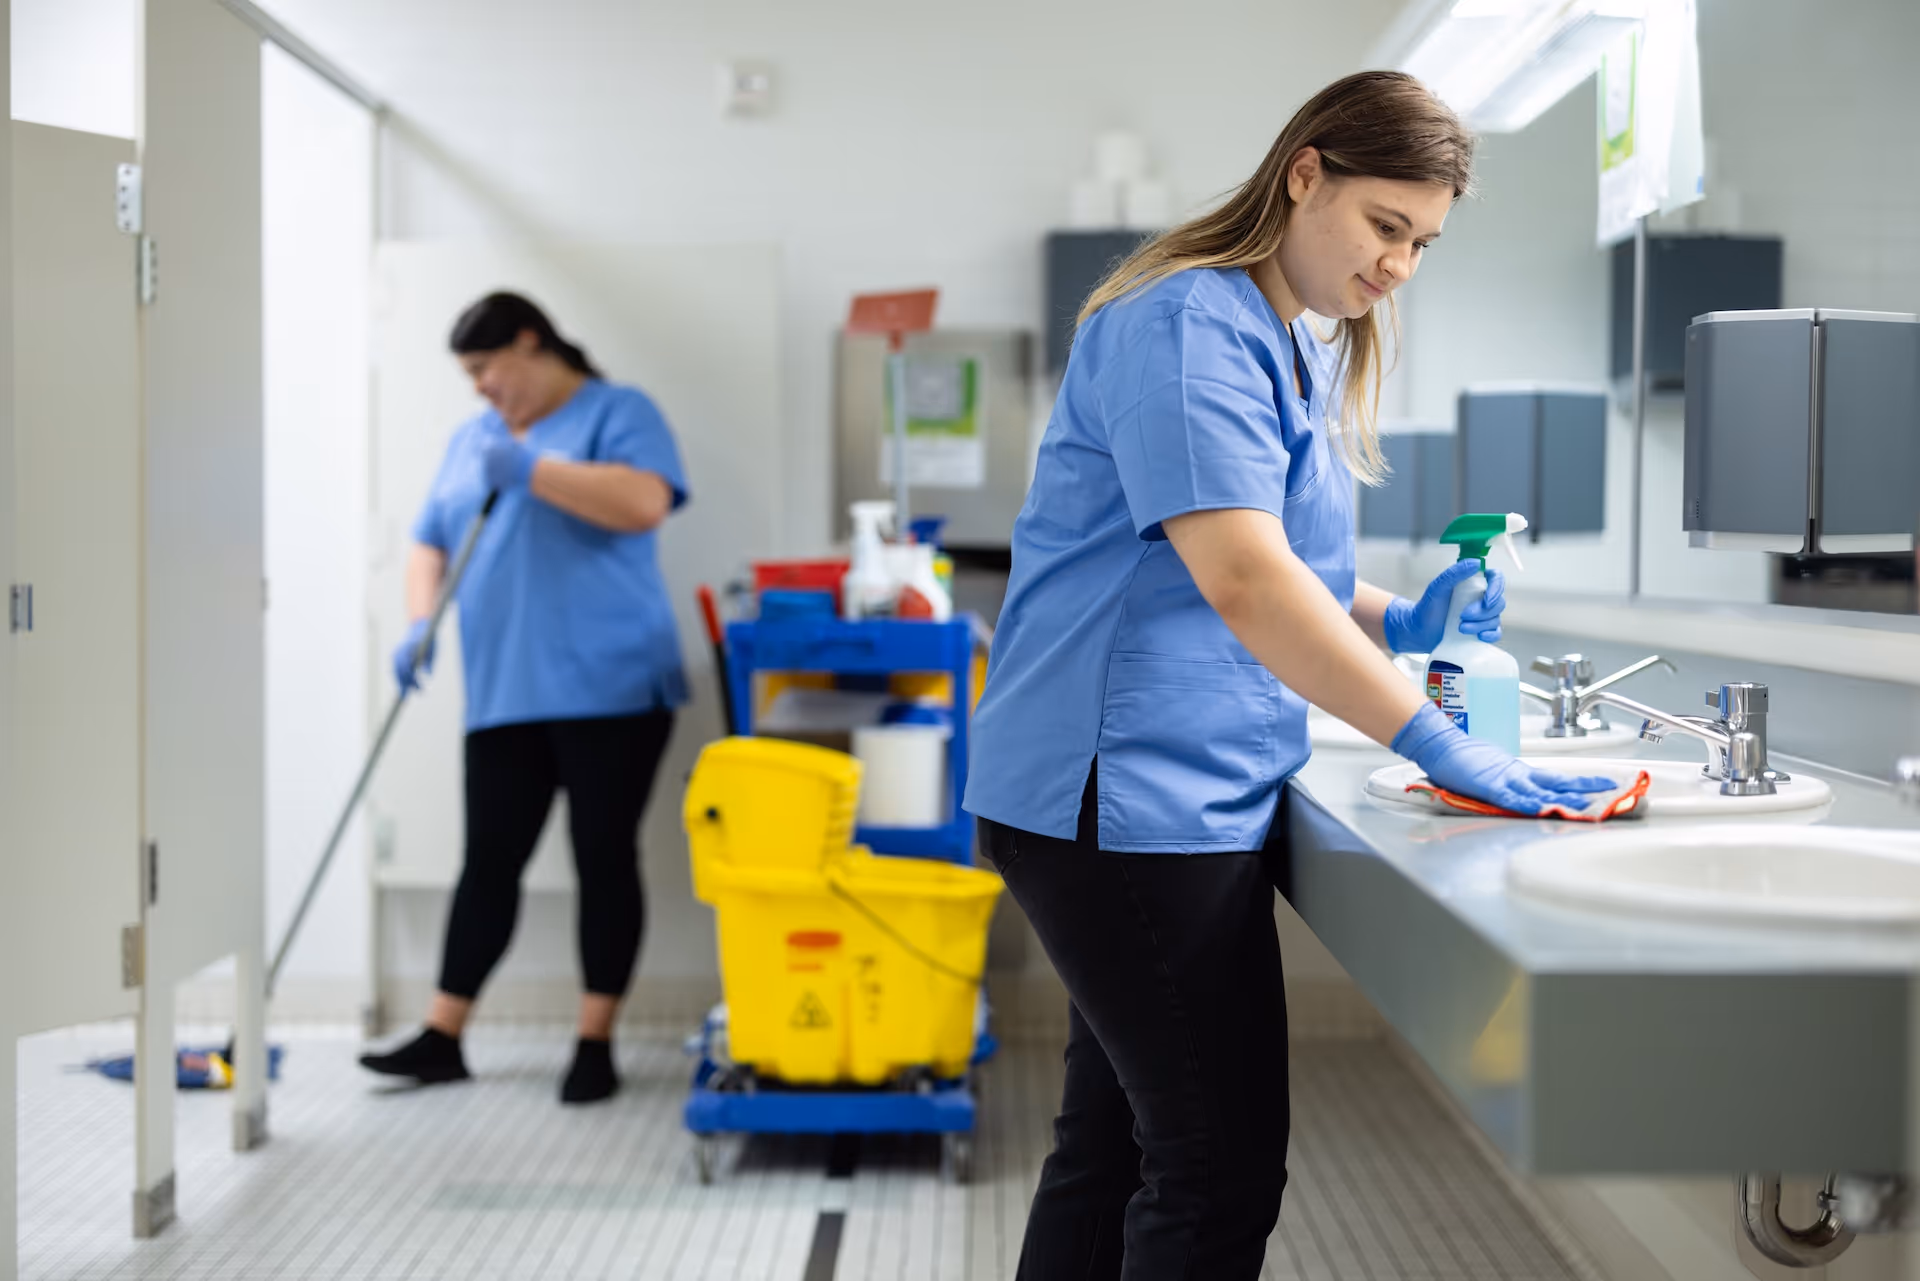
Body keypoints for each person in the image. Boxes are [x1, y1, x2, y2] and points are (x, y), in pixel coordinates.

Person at [963, 72, 1614, 1278]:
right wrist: (1438, 740)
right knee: (1213, 1172)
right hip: (1123, 798)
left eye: (1423, 242)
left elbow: (1282, 561)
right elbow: (1248, 585)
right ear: (1304, 173)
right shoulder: (1183, 323)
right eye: (1385, 226)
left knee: (1113, 1151)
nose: (1400, 266)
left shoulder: (1282, 337)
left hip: (1164, 792)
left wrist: (1400, 620)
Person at [359, 292, 691, 1105]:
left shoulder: (618, 410)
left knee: (603, 857)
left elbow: (645, 503)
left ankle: (594, 1040)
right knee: (489, 862)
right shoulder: (471, 439)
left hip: (611, 686)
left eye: (485, 369)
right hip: (506, 691)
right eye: (467, 376)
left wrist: (535, 471)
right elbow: (429, 540)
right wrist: (418, 621)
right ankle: (443, 1034)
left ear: (530, 342)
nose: (478, 389)